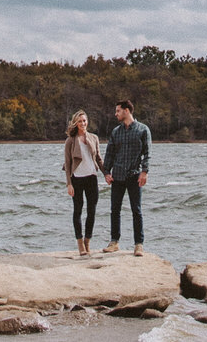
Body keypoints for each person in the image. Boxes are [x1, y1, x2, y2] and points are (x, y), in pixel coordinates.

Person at [100, 99, 150, 255]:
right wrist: (106, 172)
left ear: (127, 111)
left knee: (137, 210)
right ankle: (114, 242)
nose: (116, 114)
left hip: (135, 175)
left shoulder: (143, 130)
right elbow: (110, 153)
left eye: (118, 111)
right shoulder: (116, 131)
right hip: (118, 176)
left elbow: (148, 154)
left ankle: (138, 244)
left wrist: (145, 172)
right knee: (115, 209)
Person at [62, 110, 103, 257]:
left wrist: (107, 174)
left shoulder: (94, 138)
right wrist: (69, 184)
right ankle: (79, 243)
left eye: (84, 121)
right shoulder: (70, 141)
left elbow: (98, 158)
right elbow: (67, 164)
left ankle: (87, 241)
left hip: (91, 177)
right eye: (80, 121)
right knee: (78, 211)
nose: (83, 123)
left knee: (92, 211)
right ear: (75, 123)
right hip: (77, 178)